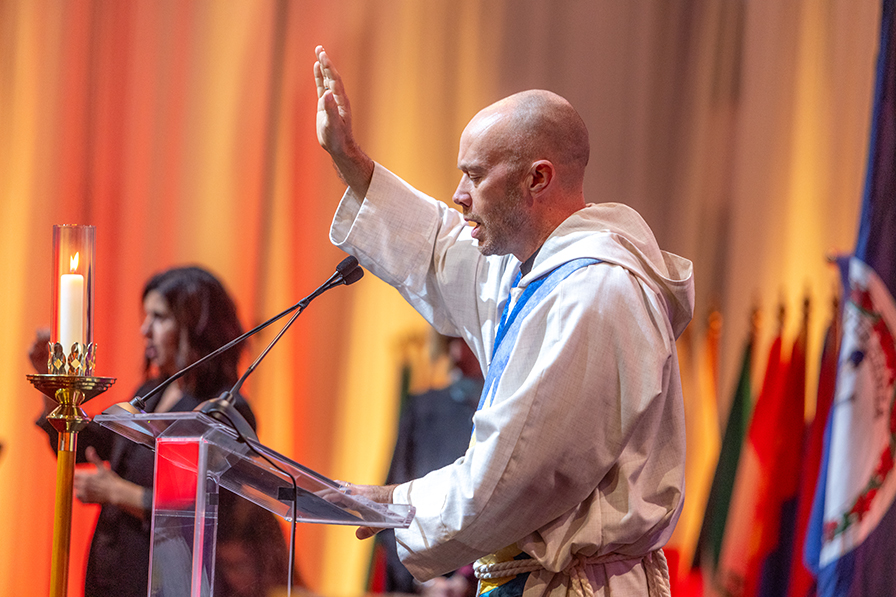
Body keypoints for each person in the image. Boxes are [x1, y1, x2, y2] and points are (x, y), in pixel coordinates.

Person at [313, 45, 695, 597]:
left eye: (473, 175)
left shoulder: (594, 293)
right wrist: (350, 158)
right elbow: (439, 247)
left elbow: (515, 474)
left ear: (536, 180)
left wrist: (396, 502)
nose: (458, 195)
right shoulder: (537, 272)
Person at [30, 266, 257, 597]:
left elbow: (208, 511)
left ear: (196, 329)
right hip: (112, 575)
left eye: (159, 317)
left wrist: (116, 492)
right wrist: (54, 386)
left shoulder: (224, 411)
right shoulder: (151, 392)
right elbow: (83, 445)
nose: (144, 329)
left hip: (167, 582)